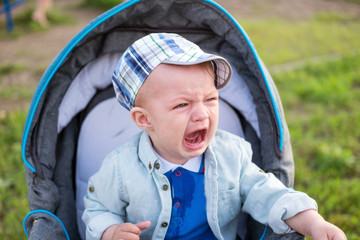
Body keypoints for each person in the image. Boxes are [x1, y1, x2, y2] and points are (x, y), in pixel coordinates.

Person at [82, 33, 346, 240]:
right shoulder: (121, 168)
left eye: (210, 99)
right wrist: (110, 231)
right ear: (144, 119)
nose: (202, 115)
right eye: (182, 105)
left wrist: (314, 222)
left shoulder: (232, 157)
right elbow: (97, 208)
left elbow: (270, 194)